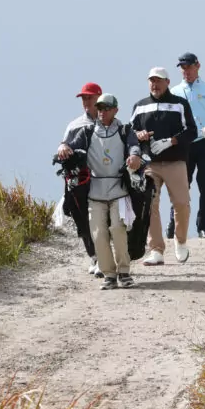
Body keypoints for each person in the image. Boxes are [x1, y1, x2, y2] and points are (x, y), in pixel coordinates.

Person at [59, 94, 144, 289]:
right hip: (95, 193)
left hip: (119, 190)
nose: (102, 112)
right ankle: (109, 275)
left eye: (106, 108)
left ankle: (124, 272)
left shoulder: (124, 130)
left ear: (115, 110)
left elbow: (134, 146)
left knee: (118, 230)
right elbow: (71, 145)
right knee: (98, 235)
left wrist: (134, 156)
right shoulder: (88, 132)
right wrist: (63, 146)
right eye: (100, 108)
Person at [130, 67, 197, 265]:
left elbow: (192, 131)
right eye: (152, 80)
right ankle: (156, 249)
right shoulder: (140, 106)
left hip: (175, 161)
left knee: (181, 203)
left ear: (167, 82)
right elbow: (130, 133)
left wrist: (171, 141)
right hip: (150, 164)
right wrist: (139, 135)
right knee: (150, 205)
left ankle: (180, 241)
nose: (155, 84)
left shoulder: (180, 104)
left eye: (159, 80)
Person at [167, 52, 205, 239]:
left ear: (197, 66)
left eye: (189, 67)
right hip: (184, 145)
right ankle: (174, 226)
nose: (186, 71)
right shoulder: (174, 92)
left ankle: (203, 227)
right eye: (183, 68)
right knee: (181, 187)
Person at [56, 82, 102, 274]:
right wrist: (62, 147)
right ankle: (94, 256)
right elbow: (64, 147)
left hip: (104, 179)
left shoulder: (110, 122)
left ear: (99, 98)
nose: (86, 101)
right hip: (81, 180)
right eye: (84, 98)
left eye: (90, 97)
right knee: (82, 218)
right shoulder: (75, 125)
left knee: (101, 218)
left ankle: (104, 257)